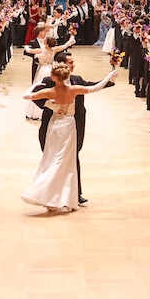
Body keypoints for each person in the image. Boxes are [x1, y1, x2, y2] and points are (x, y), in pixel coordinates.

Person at [20, 61, 116, 212]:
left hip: (54, 125)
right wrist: (109, 76)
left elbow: (26, 96)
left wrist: (35, 84)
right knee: (67, 161)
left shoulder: (49, 92)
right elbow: (95, 88)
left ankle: (50, 197)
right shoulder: (73, 90)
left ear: (54, 77)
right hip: (69, 126)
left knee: (52, 159)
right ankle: (66, 198)